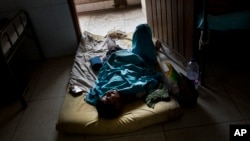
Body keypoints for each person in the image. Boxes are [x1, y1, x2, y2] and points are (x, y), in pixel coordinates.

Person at [84, 24, 164, 119]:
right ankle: (151, 50)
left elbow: (92, 96)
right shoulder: (135, 93)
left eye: (105, 96)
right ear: (118, 105)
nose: (108, 93)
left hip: (117, 58)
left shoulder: (101, 91)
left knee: (112, 49)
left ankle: (109, 38)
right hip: (139, 59)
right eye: (109, 98)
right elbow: (150, 79)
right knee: (142, 29)